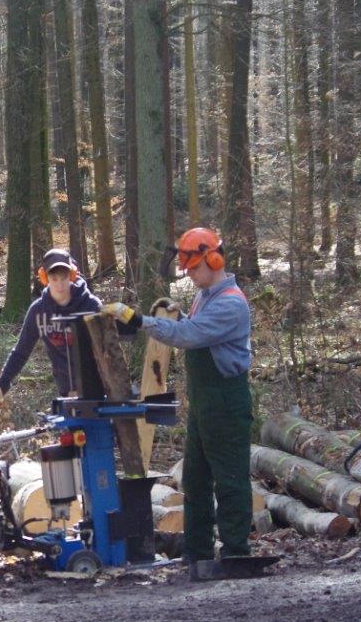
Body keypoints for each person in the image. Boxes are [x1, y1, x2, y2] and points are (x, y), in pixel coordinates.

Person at [102, 227, 253, 573]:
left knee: (230, 478)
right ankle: (197, 551)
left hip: (226, 402)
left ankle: (236, 552)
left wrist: (140, 321)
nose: (191, 275)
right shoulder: (205, 296)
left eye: (194, 268)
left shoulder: (230, 303)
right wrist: (177, 314)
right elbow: (193, 326)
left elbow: (190, 335)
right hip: (204, 404)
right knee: (196, 479)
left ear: (214, 260)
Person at [0, 249, 140, 409]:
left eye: (64, 278)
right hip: (66, 395)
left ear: (72, 275)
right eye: (54, 279)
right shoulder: (38, 311)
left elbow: (109, 350)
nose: (60, 285)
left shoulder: (90, 305)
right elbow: (20, 352)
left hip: (100, 393)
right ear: (44, 278)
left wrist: (120, 389)